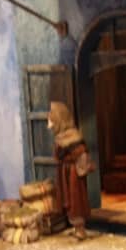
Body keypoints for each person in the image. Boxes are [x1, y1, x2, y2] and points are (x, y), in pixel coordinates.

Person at [48, 101, 94, 240]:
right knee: (67, 198)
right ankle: (75, 227)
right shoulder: (60, 137)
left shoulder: (73, 136)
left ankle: (80, 229)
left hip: (73, 173)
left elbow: (82, 153)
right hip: (65, 172)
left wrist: (80, 170)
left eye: (52, 118)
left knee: (76, 199)